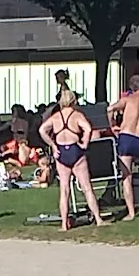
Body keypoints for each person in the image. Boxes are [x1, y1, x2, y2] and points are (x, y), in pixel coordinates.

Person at [39, 89, 107, 231]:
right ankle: (98, 219)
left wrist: (52, 145)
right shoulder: (77, 116)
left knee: (64, 190)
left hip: (61, 152)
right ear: (73, 100)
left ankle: (64, 224)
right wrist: (84, 143)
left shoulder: (56, 117)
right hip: (75, 150)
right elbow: (88, 128)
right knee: (87, 187)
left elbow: (42, 130)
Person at [108, 74, 139, 219]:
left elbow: (109, 109)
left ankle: (131, 212)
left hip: (126, 136)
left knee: (127, 175)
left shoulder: (127, 100)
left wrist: (112, 125)